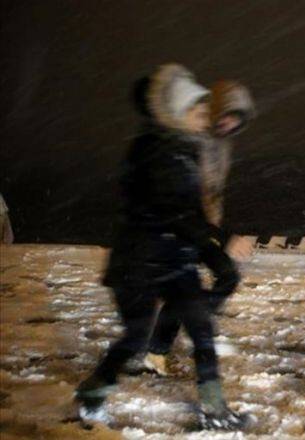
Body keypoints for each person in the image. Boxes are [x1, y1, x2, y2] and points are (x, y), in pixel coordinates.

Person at [74, 64, 251, 430]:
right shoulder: (153, 151)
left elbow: (192, 213)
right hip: (140, 261)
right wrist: (219, 246)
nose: (207, 116)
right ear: (178, 113)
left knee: (201, 328)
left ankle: (215, 408)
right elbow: (174, 213)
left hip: (176, 259)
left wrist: (215, 247)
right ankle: (93, 392)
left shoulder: (185, 151)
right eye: (199, 110)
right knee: (136, 337)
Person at [144, 79, 256, 376]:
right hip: (186, 228)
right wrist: (225, 236)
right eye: (227, 114)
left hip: (204, 227)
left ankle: (173, 339)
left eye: (238, 119)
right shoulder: (192, 143)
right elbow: (184, 201)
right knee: (210, 282)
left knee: (222, 278)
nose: (230, 123)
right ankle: (175, 341)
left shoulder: (221, 145)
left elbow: (211, 194)